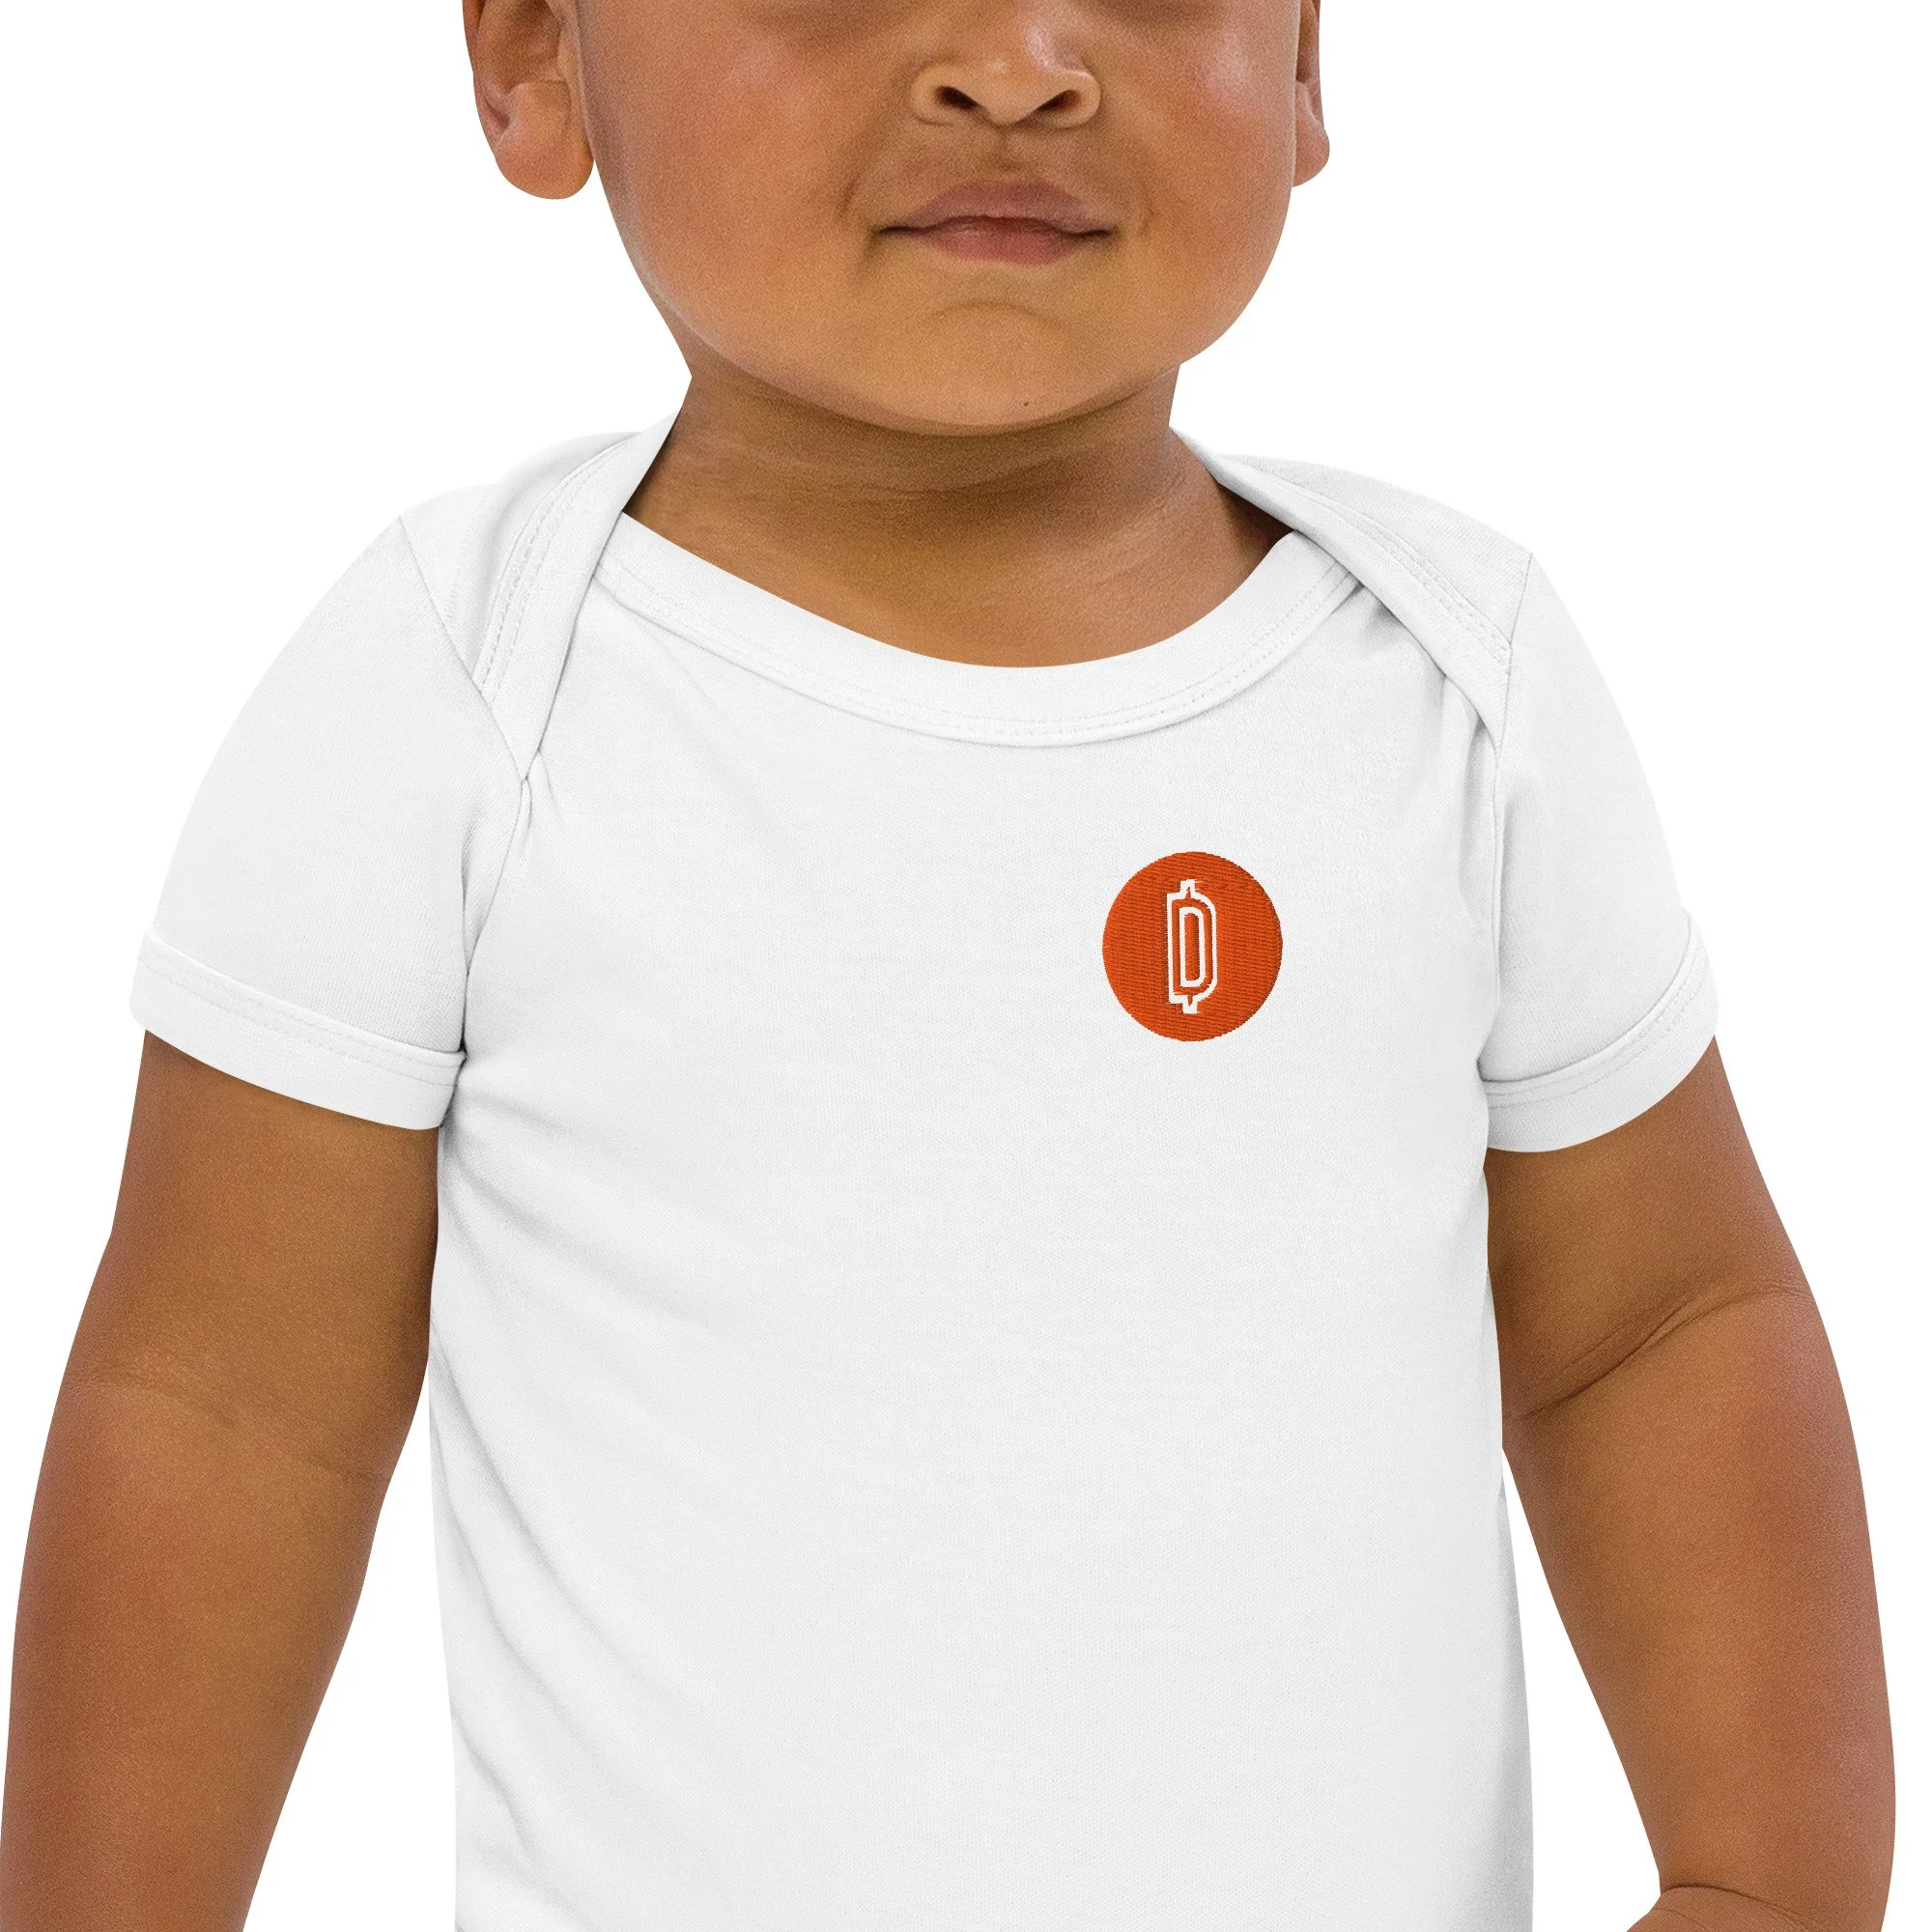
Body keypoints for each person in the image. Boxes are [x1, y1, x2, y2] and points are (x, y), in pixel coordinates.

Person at [0, 2, 1893, 1928]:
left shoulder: (1455, 681)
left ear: (1306, 63)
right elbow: (225, 1405)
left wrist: (1766, 1884)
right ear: (535, 57)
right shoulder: (459, 692)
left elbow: (1656, 1325)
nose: (1014, 60)